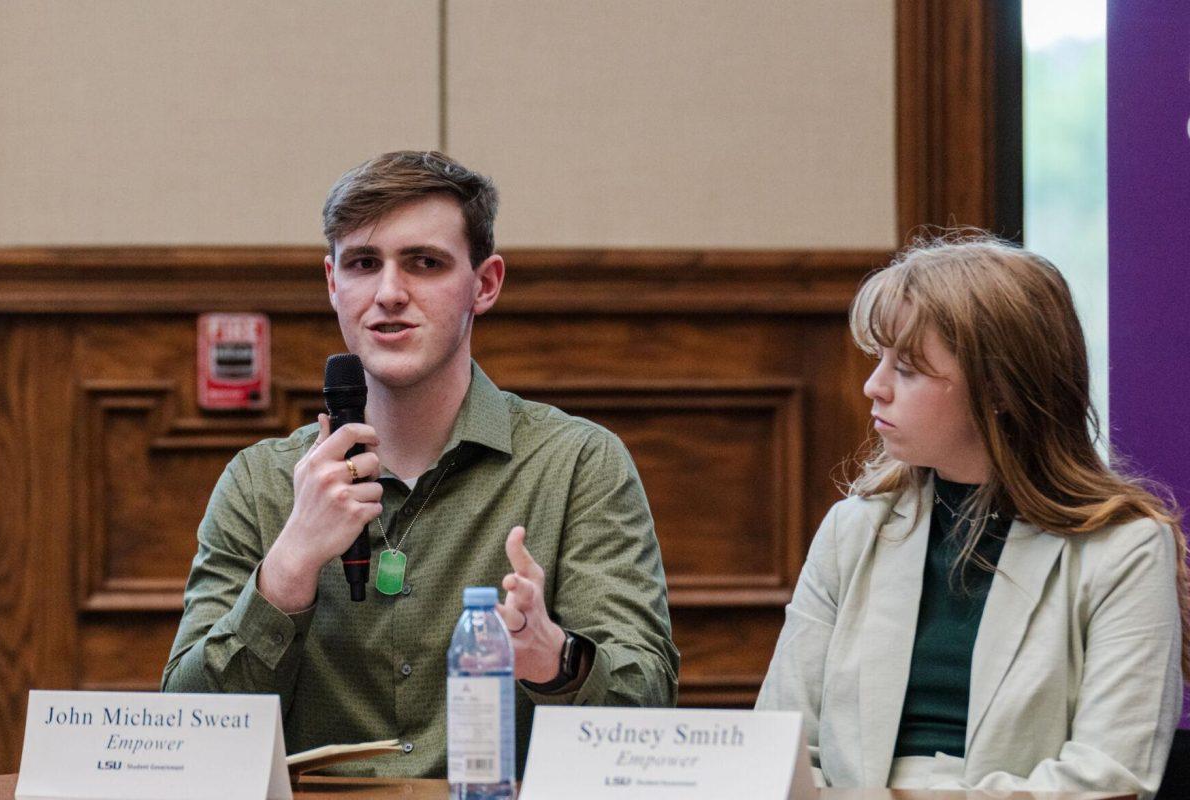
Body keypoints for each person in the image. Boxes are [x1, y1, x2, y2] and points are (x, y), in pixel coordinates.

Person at [162, 151, 679, 777]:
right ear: (332, 283)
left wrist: (554, 657)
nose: (388, 294)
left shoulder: (576, 466)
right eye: (362, 264)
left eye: (424, 264)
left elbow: (649, 706)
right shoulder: (261, 483)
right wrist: (288, 569)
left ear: (484, 285)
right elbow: (186, 736)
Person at [756, 235, 1187, 799]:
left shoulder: (1126, 549)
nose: (873, 386)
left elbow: (1108, 779)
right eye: (878, 359)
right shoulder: (851, 530)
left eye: (906, 369)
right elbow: (780, 749)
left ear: (1000, 388)